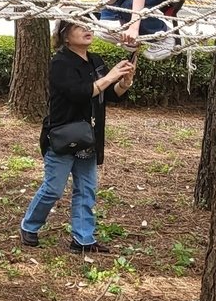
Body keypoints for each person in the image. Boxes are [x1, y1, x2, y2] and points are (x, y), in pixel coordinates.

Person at [19, 20, 134, 254]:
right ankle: (29, 226)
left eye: (89, 25)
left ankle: (83, 239)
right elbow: (81, 92)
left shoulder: (96, 61)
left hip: (88, 137)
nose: (87, 29)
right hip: (63, 136)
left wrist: (124, 82)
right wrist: (110, 77)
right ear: (65, 36)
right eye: (79, 26)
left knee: (87, 188)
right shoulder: (60, 63)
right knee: (53, 188)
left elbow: (110, 95)